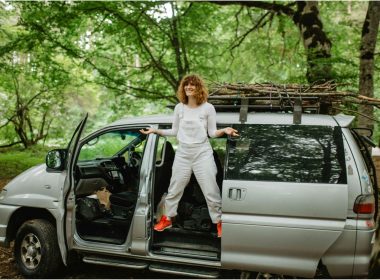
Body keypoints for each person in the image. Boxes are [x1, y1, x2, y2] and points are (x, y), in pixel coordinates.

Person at [140, 74, 238, 238]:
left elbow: (213, 133)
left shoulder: (208, 108)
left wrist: (225, 130)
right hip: (183, 154)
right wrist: (155, 131)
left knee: (211, 191)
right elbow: (174, 131)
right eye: (186, 85)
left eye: (192, 85)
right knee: (174, 189)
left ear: (199, 88)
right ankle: (167, 218)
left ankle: (219, 222)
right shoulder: (180, 108)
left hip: (202, 154)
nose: (189, 87)